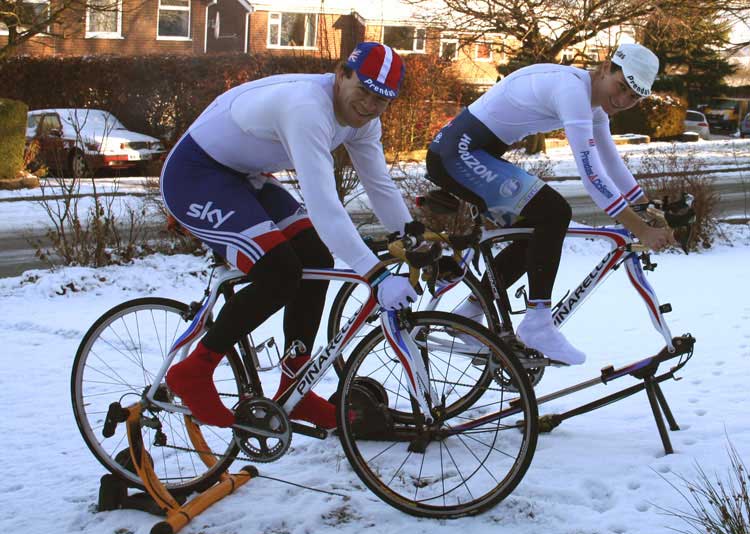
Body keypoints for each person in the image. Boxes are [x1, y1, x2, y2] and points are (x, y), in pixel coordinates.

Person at [161, 42, 419, 429]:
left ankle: (294, 386)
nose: (368, 105)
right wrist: (376, 275)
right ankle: (194, 370)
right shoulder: (307, 108)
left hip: (242, 177)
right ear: (340, 74)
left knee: (315, 259)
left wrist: (415, 239)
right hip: (195, 176)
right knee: (279, 271)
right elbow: (325, 206)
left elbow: (379, 185)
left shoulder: (364, 122)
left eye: (382, 99)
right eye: (363, 90)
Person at [426, 43, 675, 366]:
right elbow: (590, 172)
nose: (623, 100)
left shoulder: (594, 107)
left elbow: (611, 163)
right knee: (553, 212)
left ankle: (473, 311)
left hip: (471, 153)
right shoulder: (571, 90)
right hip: (457, 154)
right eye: (622, 87)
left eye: (634, 97)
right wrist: (638, 227)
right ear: (605, 68)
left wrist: (646, 208)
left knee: (533, 229)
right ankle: (538, 322)